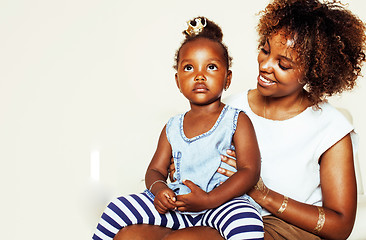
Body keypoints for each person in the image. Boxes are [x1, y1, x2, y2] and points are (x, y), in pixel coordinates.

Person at [114, 0, 366, 239]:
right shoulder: (227, 108)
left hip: (281, 225)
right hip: (211, 212)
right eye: (265, 50)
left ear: (314, 72)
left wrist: (263, 195)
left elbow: (340, 225)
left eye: (283, 64)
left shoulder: (330, 127)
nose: (265, 66)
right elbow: (180, 159)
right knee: (130, 235)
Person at [93, 17, 264, 240]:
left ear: (228, 78)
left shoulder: (236, 120)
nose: (200, 75)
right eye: (189, 68)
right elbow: (154, 171)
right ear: (178, 81)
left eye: (211, 67)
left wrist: (210, 200)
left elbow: (250, 171)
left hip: (222, 204)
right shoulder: (172, 127)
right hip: (178, 205)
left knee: (247, 221)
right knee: (117, 208)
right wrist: (160, 190)